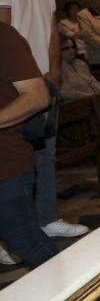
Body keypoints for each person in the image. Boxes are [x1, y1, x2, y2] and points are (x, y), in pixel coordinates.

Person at [0, 0, 88, 242]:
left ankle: (47, 218)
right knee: (11, 162)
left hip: (43, 80)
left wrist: (54, 71)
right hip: (12, 84)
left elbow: (51, 29)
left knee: (45, 153)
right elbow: (3, 33)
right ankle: (11, 234)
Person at [0, 22, 59, 268]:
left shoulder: (3, 37)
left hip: (6, 163)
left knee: (28, 243)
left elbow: (38, 96)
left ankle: (79, 300)